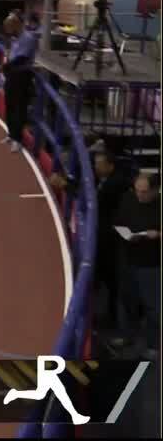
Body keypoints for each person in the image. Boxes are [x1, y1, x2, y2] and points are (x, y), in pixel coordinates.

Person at [114, 173, 160, 358]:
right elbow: (118, 221)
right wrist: (124, 232)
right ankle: (126, 335)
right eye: (137, 190)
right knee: (126, 300)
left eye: (144, 192)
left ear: (155, 190)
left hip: (151, 264)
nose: (140, 195)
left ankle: (153, 345)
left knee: (152, 306)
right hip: (128, 258)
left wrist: (158, 234)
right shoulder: (129, 199)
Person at [92, 152, 132, 332]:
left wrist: (69, 187)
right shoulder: (105, 180)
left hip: (111, 242)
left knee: (111, 280)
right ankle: (109, 317)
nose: (95, 167)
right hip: (107, 240)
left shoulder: (115, 183)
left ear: (110, 165)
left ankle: (115, 321)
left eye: (99, 164)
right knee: (106, 280)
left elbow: (96, 201)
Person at [1, 12, 39, 153]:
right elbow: (11, 55)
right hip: (11, 75)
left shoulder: (28, 38)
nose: (8, 31)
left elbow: (21, 59)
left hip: (22, 76)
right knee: (9, 105)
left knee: (19, 108)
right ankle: (11, 134)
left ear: (16, 25)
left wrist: (6, 66)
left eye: (10, 27)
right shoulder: (14, 38)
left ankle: (17, 139)